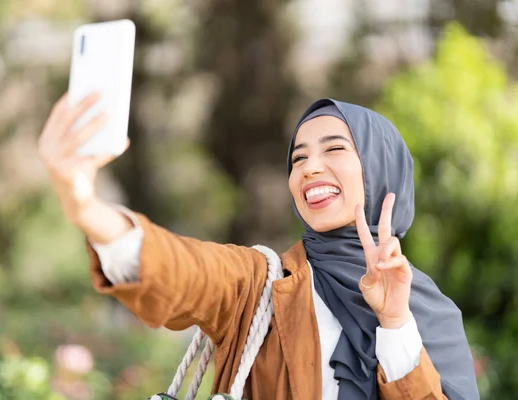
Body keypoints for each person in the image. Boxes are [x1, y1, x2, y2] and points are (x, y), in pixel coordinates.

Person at [38, 93, 480, 399]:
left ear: (381, 167)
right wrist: (84, 207)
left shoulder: (430, 313)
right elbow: (187, 270)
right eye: (298, 157)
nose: (310, 168)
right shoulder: (261, 283)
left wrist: (395, 321)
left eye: (334, 149)